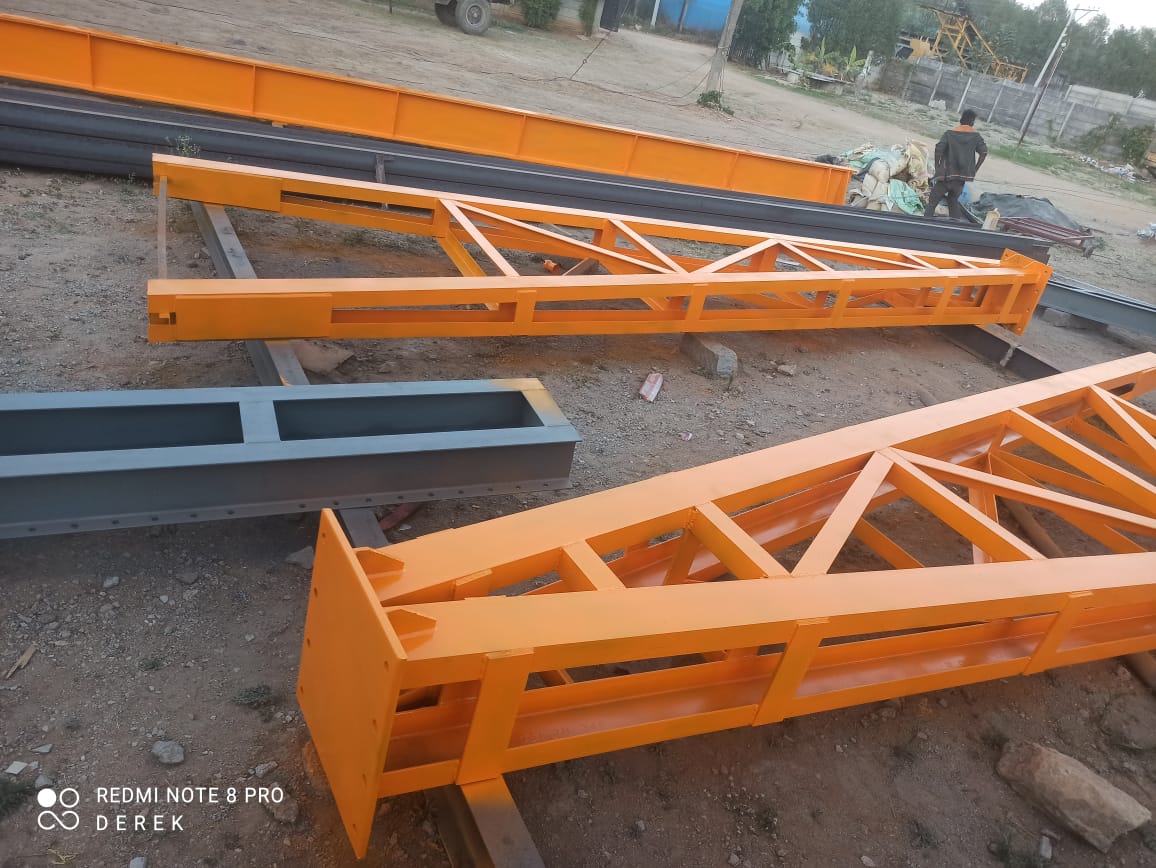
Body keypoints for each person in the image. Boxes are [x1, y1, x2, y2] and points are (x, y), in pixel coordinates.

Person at [924, 109, 987, 220]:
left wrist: (938, 167)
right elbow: (984, 153)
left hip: (946, 176)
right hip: (960, 179)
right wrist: (974, 169)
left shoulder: (950, 134)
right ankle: (955, 225)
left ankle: (924, 224)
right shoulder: (976, 137)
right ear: (972, 122)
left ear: (961, 120)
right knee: (953, 201)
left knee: (932, 202)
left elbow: (939, 149)